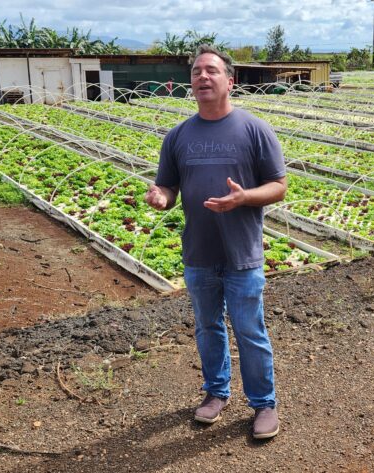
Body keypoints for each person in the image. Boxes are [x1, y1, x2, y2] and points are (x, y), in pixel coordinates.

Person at [144, 45, 287, 440]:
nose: (202, 77)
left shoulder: (254, 129)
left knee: (249, 330)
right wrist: (161, 199)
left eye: (211, 70)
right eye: (195, 72)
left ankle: (263, 403)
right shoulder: (178, 136)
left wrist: (244, 198)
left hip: (242, 253)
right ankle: (216, 393)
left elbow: (278, 187)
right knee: (208, 327)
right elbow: (168, 187)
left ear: (230, 80)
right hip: (199, 253)